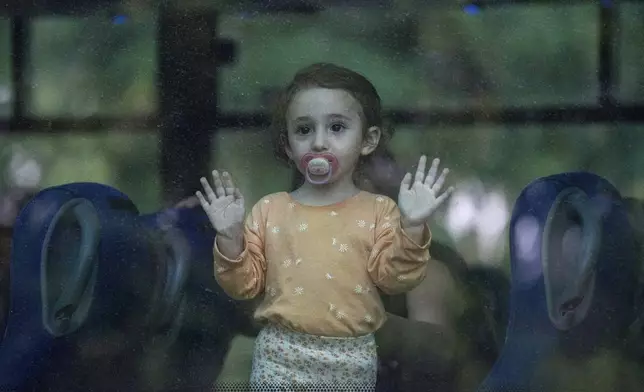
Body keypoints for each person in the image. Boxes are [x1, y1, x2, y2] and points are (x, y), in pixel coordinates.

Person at [196, 63, 454, 390]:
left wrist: (413, 225)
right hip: (279, 359)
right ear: (288, 147)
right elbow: (245, 285)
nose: (319, 143)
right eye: (304, 130)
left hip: (352, 359)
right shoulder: (270, 211)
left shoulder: (381, 215)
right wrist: (230, 236)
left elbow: (400, 282)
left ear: (367, 142)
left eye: (337, 128)